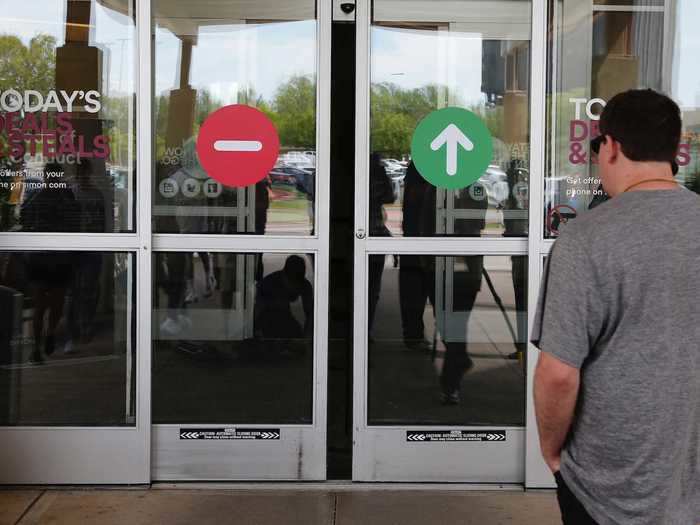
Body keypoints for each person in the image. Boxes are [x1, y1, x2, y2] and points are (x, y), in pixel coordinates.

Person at [532, 89, 699, 524]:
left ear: (611, 146)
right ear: (675, 152)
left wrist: (551, 452)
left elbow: (558, 373)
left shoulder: (586, 239)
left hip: (605, 490)